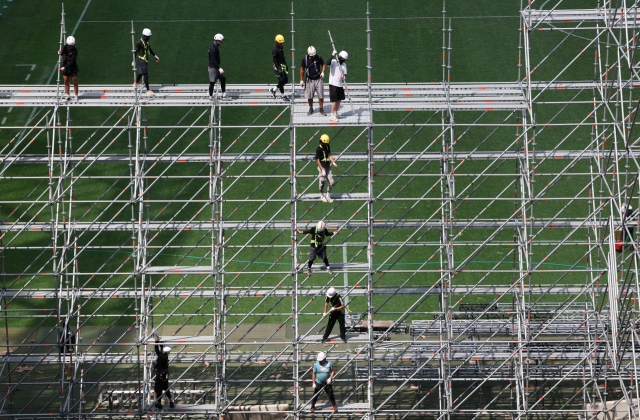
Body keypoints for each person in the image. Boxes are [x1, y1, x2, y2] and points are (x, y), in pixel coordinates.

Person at [300, 46, 326, 115]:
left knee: (321, 95)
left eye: (314, 55)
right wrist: (301, 80)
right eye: (311, 56)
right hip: (309, 80)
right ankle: (311, 108)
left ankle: (321, 109)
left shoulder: (318, 57)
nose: (313, 57)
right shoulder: (304, 59)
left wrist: (323, 72)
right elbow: (302, 69)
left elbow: (323, 64)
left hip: (318, 79)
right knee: (310, 96)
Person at [135, 28, 160, 97]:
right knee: (146, 75)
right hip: (142, 61)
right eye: (149, 36)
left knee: (142, 72)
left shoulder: (146, 42)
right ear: (145, 36)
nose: (149, 37)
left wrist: (155, 56)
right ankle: (148, 90)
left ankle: (136, 83)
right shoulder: (139, 43)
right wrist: (133, 61)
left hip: (145, 60)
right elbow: (135, 52)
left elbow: (150, 49)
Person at [316, 134, 338, 203]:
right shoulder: (319, 149)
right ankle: (322, 195)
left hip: (328, 167)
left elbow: (329, 154)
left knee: (331, 182)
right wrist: (322, 169)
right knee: (322, 182)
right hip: (322, 167)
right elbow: (317, 160)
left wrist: (333, 162)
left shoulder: (327, 146)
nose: (326, 144)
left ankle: (328, 195)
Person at [154, 336, 174, 409]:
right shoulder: (165, 356)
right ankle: (171, 401)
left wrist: (156, 342)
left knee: (158, 389)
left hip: (160, 376)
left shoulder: (161, 357)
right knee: (166, 388)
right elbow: (161, 350)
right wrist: (160, 344)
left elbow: (156, 350)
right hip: (165, 375)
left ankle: (159, 404)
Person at [208, 33, 231, 101]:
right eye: (221, 41)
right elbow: (212, 60)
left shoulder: (215, 47)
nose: (222, 43)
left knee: (223, 78)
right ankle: (210, 97)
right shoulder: (213, 48)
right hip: (213, 68)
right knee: (212, 82)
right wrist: (219, 68)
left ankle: (223, 94)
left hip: (216, 67)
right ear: (218, 41)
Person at [328, 50, 348, 122]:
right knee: (334, 100)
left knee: (339, 99)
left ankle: (336, 113)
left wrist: (344, 77)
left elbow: (345, 74)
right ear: (340, 58)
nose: (344, 61)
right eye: (343, 59)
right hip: (333, 84)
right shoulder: (333, 62)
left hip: (340, 84)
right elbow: (327, 63)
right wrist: (332, 54)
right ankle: (332, 115)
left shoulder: (344, 65)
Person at [58, 36, 79, 102]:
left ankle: (76, 95)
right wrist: (61, 53)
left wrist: (64, 67)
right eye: (69, 45)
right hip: (66, 66)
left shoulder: (75, 50)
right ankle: (67, 95)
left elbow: (72, 61)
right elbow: (64, 53)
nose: (70, 46)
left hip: (72, 67)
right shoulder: (66, 46)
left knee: (74, 81)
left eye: (71, 45)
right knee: (66, 81)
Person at [270, 34, 289, 101]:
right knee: (281, 81)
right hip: (278, 68)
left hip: (282, 67)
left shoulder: (280, 49)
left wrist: (286, 66)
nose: (282, 44)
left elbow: (282, 58)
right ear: (277, 42)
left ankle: (274, 89)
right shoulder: (275, 50)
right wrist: (278, 69)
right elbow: (275, 61)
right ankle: (283, 96)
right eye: (281, 43)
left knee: (285, 80)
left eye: (282, 43)